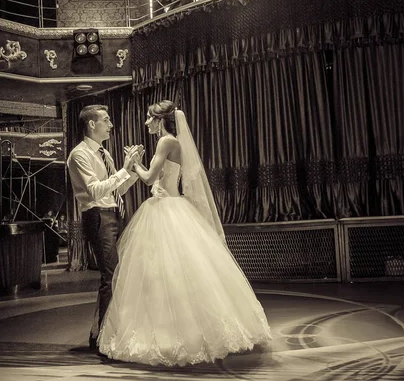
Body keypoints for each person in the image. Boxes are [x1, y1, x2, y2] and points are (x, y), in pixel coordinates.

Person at [97, 100, 271, 366]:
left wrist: (132, 164)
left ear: (159, 120)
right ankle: (183, 330)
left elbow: (148, 178)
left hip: (165, 209)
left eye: (149, 118)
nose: (146, 123)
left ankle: (178, 335)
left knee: (166, 274)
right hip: (171, 206)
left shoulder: (165, 142)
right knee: (173, 274)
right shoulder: (172, 142)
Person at [66, 104, 143, 351]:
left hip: (113, 214)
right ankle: (104, 337)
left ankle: (100, 330)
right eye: (106, 120)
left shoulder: (104, 153)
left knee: (117, 275)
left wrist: (131, 170)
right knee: (110, 275)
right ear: (92, 124)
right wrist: (123, 170)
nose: (111, 125)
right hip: (97, 217)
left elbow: (117, 190)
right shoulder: (79, 155)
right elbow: (96, 190)